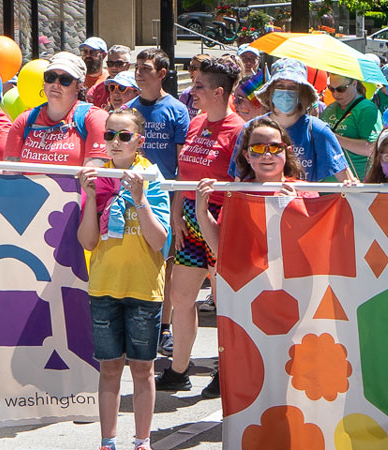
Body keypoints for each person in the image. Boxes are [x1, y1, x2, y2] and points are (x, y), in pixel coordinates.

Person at [75, 108, 170, 450]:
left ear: (139, 141)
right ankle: (107, 441)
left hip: (144, 288)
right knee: (110, 367)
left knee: (143, 369)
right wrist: (88, 200)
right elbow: (87, 242)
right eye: (110, 135)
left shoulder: (153, 179)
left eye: (124, 136)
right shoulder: (98, 178)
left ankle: (142, 441)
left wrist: (139, 198)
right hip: (104, 286)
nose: (115, 143)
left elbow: (159, 241)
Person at [160, 56, 243, 396]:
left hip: (220, 219)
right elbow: (184, 175)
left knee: (224, 301)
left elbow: (240, 183)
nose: (192, 91)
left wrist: (210, 217)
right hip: (189, 219)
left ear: (219, 92)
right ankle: (179, 370)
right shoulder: (195, 123)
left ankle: (229, 371)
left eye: (198, 87)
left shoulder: (239, 130)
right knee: (181, 296)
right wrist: (177, 213)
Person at [248, 59, 353, 183]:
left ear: (302, 93)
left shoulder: (318, 130)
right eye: (280, 86)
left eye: (293, 87)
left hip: (304, 201)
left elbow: (347, 180)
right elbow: (237, 181)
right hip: (259, 201)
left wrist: (350, 184)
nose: (286, 92)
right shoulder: (250, 130)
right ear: (270, 91)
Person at [6, 52, 110, 167]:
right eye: (50, 77)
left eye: (65, 80)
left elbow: (94, 175)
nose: (55, 84)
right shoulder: (25, 120)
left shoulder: (95, 118)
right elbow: (10, 172)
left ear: (79, 86)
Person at [127, 48, 190, 179]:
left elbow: (182, 162)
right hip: (132, 184)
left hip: (165, 187)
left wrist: (177, 198)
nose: (138, 73)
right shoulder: (127, 109)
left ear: (161, 74)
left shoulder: (178, 110)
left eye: (145, 68)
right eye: (136, 68)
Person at [321, 70, 381, 176]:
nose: (335, 94)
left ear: (354, 83)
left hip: (356, 181)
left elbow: (372, 148)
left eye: (341, 89)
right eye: (331, 89)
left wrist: (334, 138)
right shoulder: (331, 108)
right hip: (328, 181)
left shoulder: (367, 109)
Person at [81, 37, 114, 104]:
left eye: (92, 52)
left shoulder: (109, 80)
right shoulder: (77, 78)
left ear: (104, 55)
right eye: (85, 52)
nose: (88, 56)